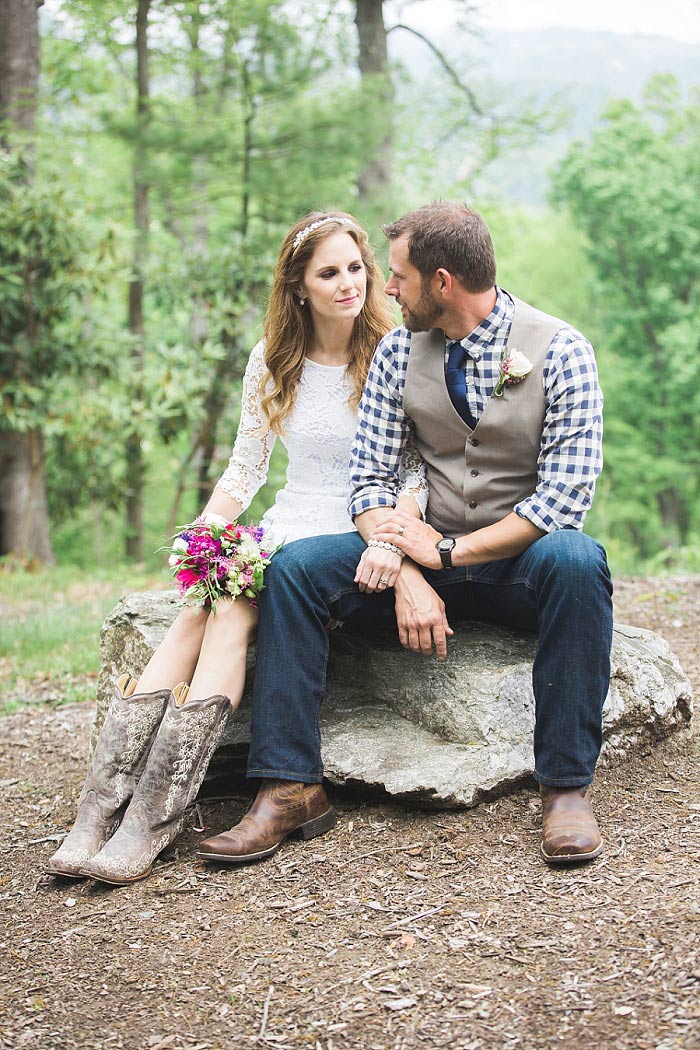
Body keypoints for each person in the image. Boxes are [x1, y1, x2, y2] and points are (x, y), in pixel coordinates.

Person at [197, 200, 613, 869]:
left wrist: (449, 552)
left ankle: (565, 789)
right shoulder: (397, 351)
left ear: (442, 282)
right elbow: (369, 480)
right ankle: (289, 786)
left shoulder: (561, 351)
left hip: (517, 565)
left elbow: (562, 502)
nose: (384, 290)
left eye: (398, 276)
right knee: (297, 568)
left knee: (577, 558)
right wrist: (410, 570)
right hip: (424, 553)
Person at [47, 211, 428, 885]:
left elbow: (416, 473)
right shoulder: (271, 360)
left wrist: (395, 545)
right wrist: (200, 534)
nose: (348, 283)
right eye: (329, 272)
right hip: (288, 522)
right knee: (206, 603)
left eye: (356, 268)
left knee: (227, 606)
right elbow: (246, 469)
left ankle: (143, 823)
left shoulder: (394, 351)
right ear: (299, 287)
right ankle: (101, 814)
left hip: (350, 536)